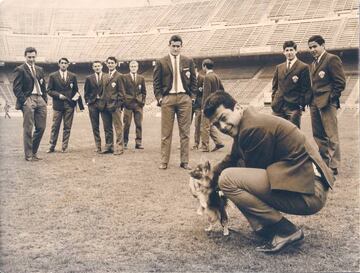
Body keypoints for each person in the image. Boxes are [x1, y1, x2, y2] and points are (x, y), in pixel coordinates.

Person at [203, 91, 334, 253]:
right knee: (227, 177)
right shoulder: (247, 123)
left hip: (311, 193)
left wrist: (216, 187)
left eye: (223, 118)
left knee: (228, 180)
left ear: (238, 108)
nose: (222, 127)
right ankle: (268, 229)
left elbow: (249, 171)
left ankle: (285, 231)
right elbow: (232, 158)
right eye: (216, 124)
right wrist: (208, 179)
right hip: (307, 186)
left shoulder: (252, 128)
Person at [153, 34, 197, 170]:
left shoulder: (188, 61)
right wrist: (160, 98)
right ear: (169, 45)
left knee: (185, 133)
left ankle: (184, 161)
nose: (176, 49)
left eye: (178, 46)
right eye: (174, 46)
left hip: (185, 98)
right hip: (168, 98)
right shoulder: (161, 62)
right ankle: (164, 161)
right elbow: (156, 82)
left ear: (181, 47)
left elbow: (194, 80)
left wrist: (192, 97)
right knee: (166, 133)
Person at [308, 35, 346, 176]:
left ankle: (334, 165)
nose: (312, 49)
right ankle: (324, 163)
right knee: (318, 135)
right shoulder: (313, 64)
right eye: (310, 47)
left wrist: (331, 99)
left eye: (315, 46)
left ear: (323, 45)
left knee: (331, 135)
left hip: (327, 103)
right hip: (314, 103)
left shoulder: (331, 59)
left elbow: (340, 82)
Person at [13, 47, 47, 161]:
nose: (31, 59)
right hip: (29, 99)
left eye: (33, 57)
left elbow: (43, 86)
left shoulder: (40, 69)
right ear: (25, 57)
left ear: (36, 56)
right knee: (28, 128)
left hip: (40, 98)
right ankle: (29, 155)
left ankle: (33, 152)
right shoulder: (20, 69)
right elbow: (16, 88)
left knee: (41, 128)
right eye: (29, 57)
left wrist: (44, 99)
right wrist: (24, 101)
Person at [271, 40, 312, 128]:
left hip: (294, 107)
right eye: (287, 50)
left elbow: (306, 88)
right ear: (283, 52)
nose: (289, 52)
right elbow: (274, 87)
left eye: (291, 50)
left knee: (293, 133)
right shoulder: (279, 67)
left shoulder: (303, 67)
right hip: (278, 106)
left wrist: (301, 104)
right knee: (276, 131)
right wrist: (274, 100)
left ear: (295, 51)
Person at [47, 58, 80, 153]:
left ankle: (64, 147)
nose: (63, 65)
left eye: (65, 63)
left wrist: (75, 101)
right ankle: (51, 146)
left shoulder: (73, 76)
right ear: (59, 64)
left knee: (67, 127)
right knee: (55, 126)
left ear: (68, 65)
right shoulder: (53, 76)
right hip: (58, 105)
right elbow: (49, 90)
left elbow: (76, 90)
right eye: (62, 63)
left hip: (69, 105)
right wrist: (58, 95)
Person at [99, 56, 125, 155]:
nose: (110, 64)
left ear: (115, 64)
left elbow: (122, 93)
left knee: (118, 127)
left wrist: (118, 105)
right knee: (107, 127)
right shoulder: (104, 76)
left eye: (112, 63)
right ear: (106, 64)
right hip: (104, 106)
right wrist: (101, 102)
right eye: (108, 63)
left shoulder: (119, 76)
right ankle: (108, 146)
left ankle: (119, 147)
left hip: (115, 106)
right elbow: (102, 91)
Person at [200, 59, 225, 152]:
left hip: (208, 105)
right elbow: (222, 90)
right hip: (215, 105)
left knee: (205, 126)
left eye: (202, 66)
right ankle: (219, 143)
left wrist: (204, 107)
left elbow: (206, 94)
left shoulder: (207, 77)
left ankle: (205, 147)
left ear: (205, 66)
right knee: (210, 125)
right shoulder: (216, 76)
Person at [122, 60, 146, 149]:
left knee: (139, 124)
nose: (133, 68)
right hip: (128, 105)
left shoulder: (141, 78)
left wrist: (142, 102)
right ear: (129, 67)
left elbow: (144, 92)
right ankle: (124, 142)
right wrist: (125, 101)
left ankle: (138, 143)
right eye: (132, 66)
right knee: (127, 124)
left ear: (137, 67)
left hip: (138, 105)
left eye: (135, 66)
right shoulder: (125, 77)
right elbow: (123, 91)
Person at [84, 60, 105, 153]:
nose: (97, 67)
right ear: (93, 68)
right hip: (93, 104)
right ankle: (98, 145)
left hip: (104, 104)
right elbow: (86, 92)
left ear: (102, 67)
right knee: (95, 126)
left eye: (98, 66)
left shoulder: (106, 76)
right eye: (95, 66)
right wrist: (88, 102)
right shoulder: (89, 78)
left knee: (107, 125)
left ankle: (109, 145)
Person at [191, 67, 204, 150]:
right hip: (190, 104)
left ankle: (196, 143)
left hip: (198, 105)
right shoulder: (188, 79)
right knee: (185, 124)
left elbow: (204, 91)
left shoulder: (202, 78)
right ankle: (183, 142)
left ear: (196, 69)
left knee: (197, 125)